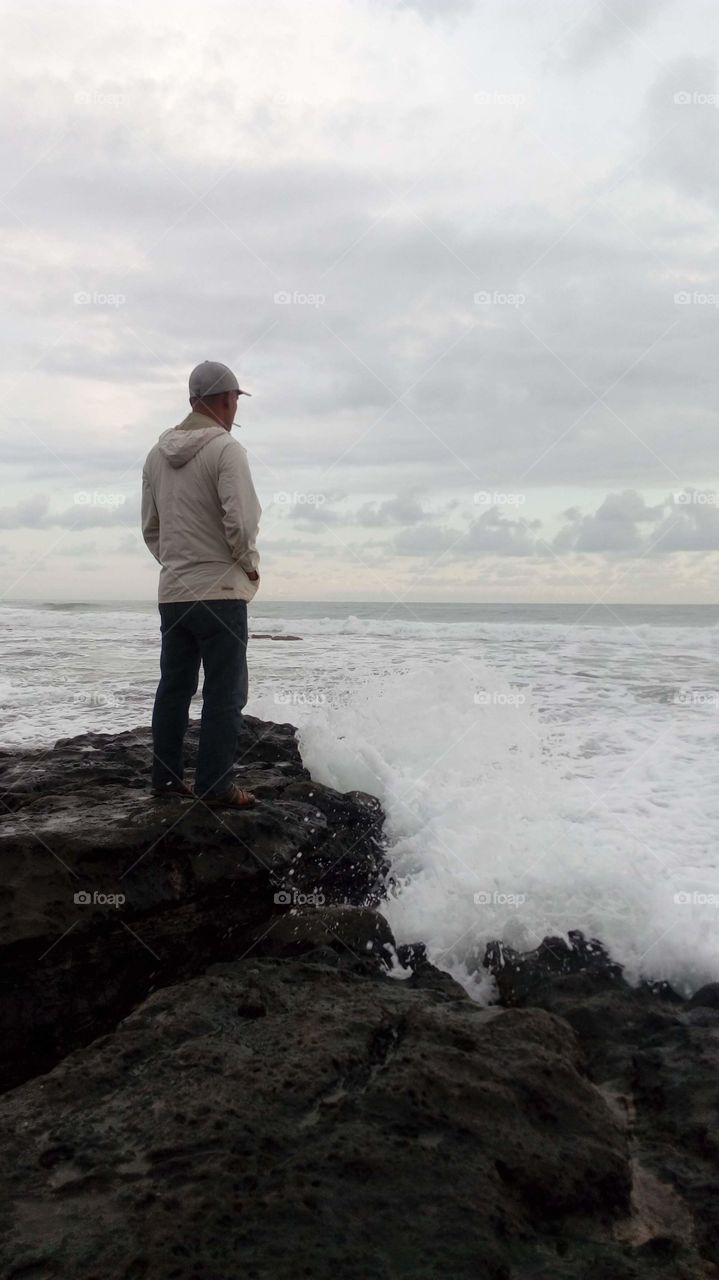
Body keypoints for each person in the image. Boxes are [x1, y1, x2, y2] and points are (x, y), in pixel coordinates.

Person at [141, 360, 261, 808]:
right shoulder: (227, 450)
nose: (234, 409)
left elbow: (151, 528)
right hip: (221, 593)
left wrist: (175, 564)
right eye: (235, 401)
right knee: (225, 691)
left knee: (173, 687)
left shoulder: (156, 455)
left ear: (193, 400)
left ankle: (167, 780)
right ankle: (215, 785)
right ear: (228, 399)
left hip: (173, 594)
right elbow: (242, 520)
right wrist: (247, 566)